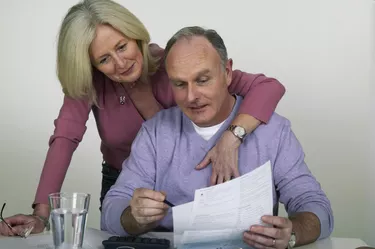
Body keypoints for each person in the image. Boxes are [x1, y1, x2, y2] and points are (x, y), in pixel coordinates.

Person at [0, 0, 286, 237]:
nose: (121, 63)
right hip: (125, 186)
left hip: (194, 181)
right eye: (104, 59)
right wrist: (41, 214)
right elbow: (64, 138)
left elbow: (268, 87)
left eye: (122, 46)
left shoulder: (174, 65)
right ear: (90, 65)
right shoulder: (88, 84)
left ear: (135, 34)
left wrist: (231, 137)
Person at [101, 26, 334, 249]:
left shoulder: (273, 131)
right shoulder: (154, 133)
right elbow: (111, 212)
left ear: (228, 72)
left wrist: (292, 233)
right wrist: (134, 216)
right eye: (180, 84)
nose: (192, 96)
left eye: (203, 80)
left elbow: (317, 208)